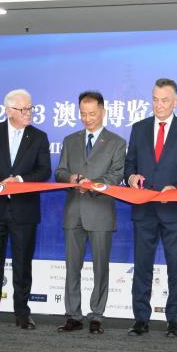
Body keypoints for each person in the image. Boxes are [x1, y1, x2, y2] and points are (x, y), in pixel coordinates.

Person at [124, 78, 177, 338]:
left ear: (175, 101)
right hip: (144, 209)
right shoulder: (139, 128)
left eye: (164, 100)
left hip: (174, 210)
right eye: (155, 99)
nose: (159, 105)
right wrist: (131, 178)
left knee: (176, 266)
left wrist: (175, 188)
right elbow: (129, 165)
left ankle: (175, 320)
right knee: (141, 266)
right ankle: (140, 319)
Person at [0, 89, 51, 331]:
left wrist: (20, 180)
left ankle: (22, 314)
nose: (28, 113)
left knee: (22, 264)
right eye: (22, 109)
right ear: (8, 111)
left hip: (24, 210)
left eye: (30, 108)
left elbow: (44, 170)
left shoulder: (39, 137)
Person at [54, 91, 126, 334]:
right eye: (83, 114)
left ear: (103, 112)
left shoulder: (116, 142)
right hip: (73, 212)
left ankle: (97, 315)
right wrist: (71, 178)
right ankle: (73, 315)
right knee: (72, 267)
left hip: (100, 211)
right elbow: (59, 172)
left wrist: (92, 186)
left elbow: (116, 175)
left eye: (92, 114)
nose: (87, 119)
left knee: (100, 267)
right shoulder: (70, 140)